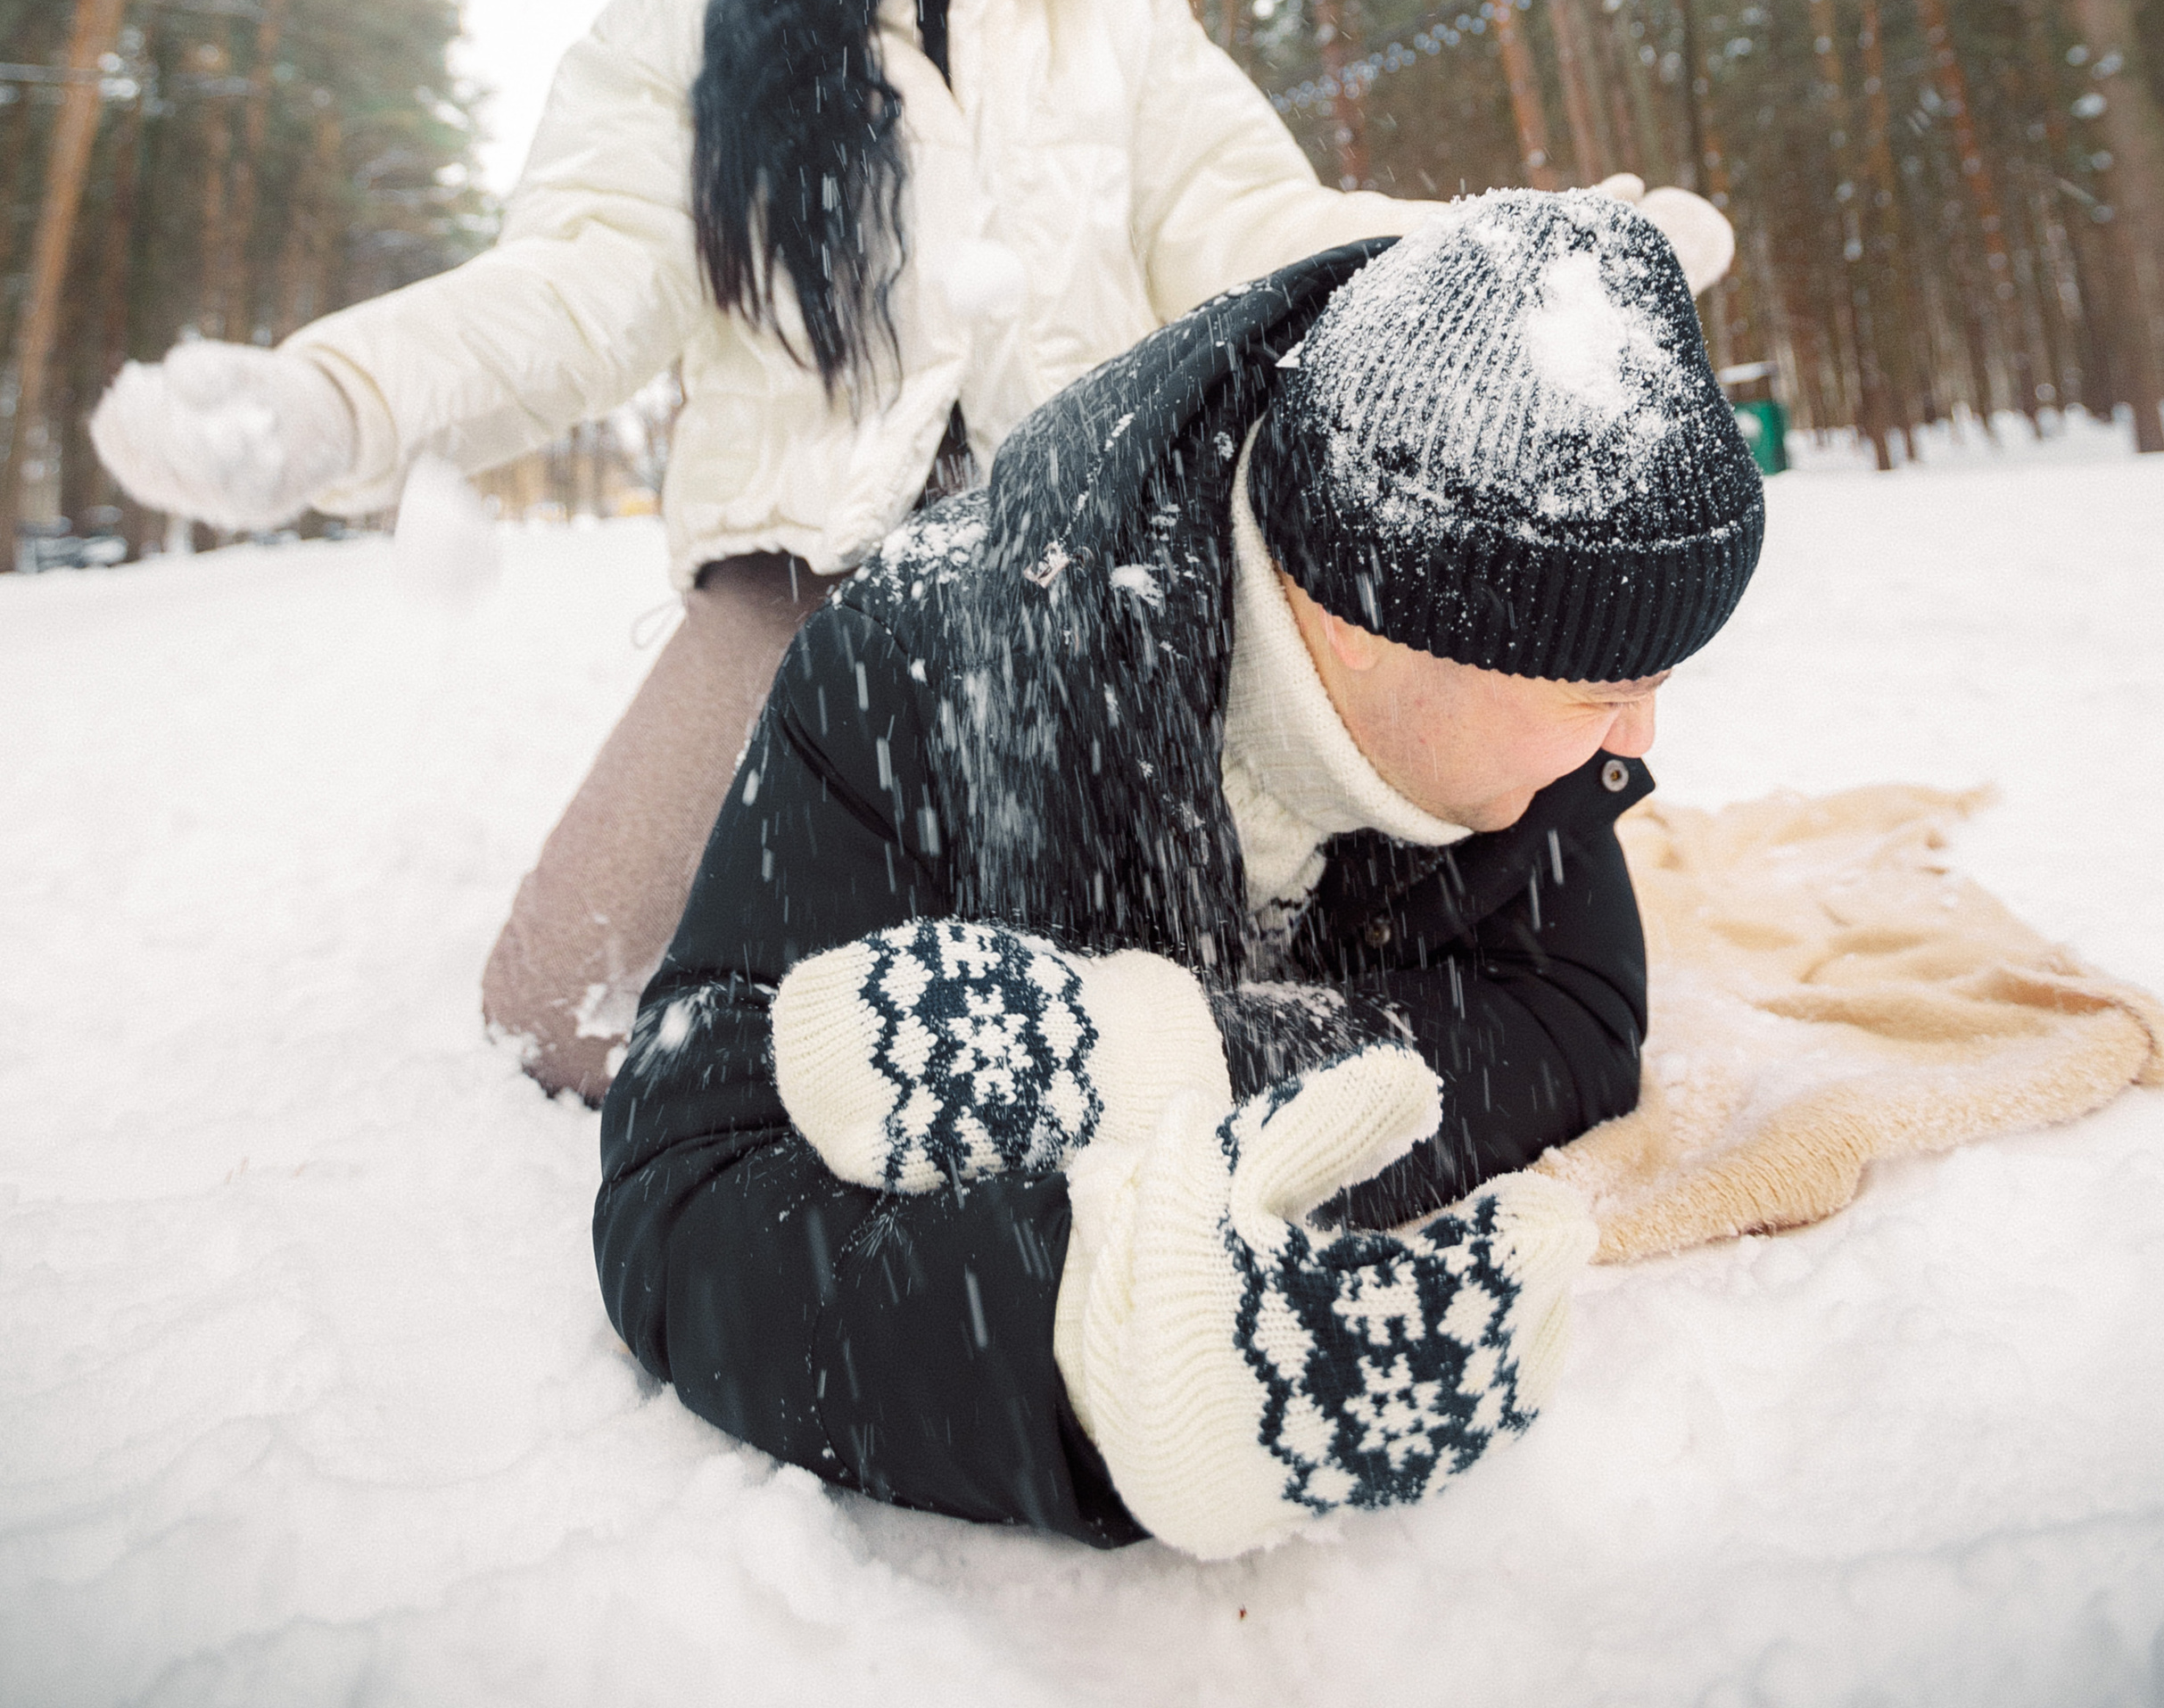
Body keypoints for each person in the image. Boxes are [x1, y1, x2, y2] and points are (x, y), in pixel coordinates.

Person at [88, 0, 1732, 1099]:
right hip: (805, 561)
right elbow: (581, 281)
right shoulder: (702, 14)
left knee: (1198, 968)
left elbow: (1250, 217)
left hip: (1101, 539)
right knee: (569, 1010)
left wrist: (1514, 271)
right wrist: (336, 399)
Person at [594, 187, 1767, 1560]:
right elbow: (694, 1183)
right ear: (1382, 622)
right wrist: (1081, 1354)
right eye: (1604, 691)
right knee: (565, 988)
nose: (1638, 742)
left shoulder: (1508, 679)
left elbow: (1563, 1017)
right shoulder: (910, 677)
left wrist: (1166, 1060)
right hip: (841, 551)